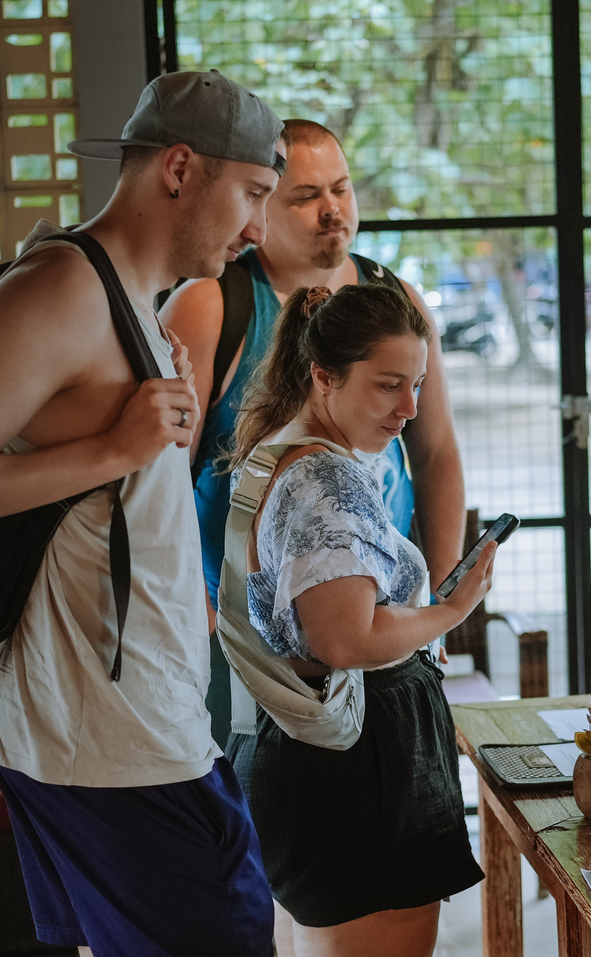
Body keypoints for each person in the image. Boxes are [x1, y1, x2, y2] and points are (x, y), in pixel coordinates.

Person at [0, 71, 286, 957]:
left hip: (118, 724)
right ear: (179, 169)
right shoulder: (61, 286)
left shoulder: (135, 296)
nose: (259, 228)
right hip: (112, 742)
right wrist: (112, 448)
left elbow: (108, 499)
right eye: (254, 193)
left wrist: (142, 453)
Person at [227, 282, 489, 957]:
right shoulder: (326, 477)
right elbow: (344, 638)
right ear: (324, 375)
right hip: (354, 775)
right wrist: (448, 612)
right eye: (387, 385)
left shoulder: (278, 452)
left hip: (304, 753)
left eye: (417, 385)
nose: (409, 408)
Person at [160, 119, 466, 748]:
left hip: (380, 623)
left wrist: (437, 605)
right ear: (259, 203)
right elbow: (159, 482)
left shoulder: (396, 301)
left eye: (341, 189)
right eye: (305, 196)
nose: (332, 210)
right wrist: (196, 612)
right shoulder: (210, 303)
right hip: (247, 633)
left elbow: (436, 453)